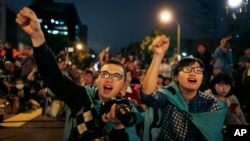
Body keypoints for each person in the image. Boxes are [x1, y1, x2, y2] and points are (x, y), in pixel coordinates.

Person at [16, 7, 143, 141]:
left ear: (123, 86)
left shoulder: (130, 112)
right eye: (104, 74)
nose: (109, 79)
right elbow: (54, 79)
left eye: (116, 76)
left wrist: (119, 126)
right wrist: (37, 36)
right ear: (97, 79)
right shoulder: (83, 96)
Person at [140, 35, 227, 141]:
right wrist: (158, 55)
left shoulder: (211, 104)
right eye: (187, 69)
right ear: (175, 76)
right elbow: (148, 95)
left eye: (198, 70)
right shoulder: (168, 96)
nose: (193, 73)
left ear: (202, 77)